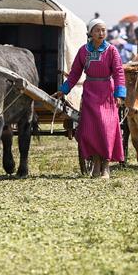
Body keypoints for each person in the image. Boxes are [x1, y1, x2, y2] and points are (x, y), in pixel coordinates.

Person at [52, 19, 126, 178]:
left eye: (103, 30)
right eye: (97, 30)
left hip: (107, 94)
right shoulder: (83, 51)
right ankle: (96, 163)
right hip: (90, 93)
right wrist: (63, 90)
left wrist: (119, 94)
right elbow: (74, 73)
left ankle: (106, 166)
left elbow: (119, 72)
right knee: (91, 130)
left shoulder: (111, 51)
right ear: (91, 33)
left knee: (106, 128)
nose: (101, 33)